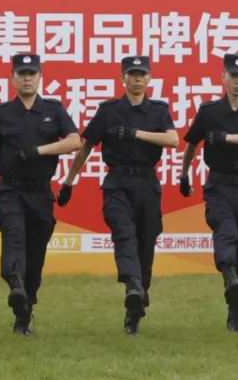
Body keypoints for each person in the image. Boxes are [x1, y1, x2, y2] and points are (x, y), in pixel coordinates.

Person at [60, 55, 178, 336]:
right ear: (122, 78)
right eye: (131, 74)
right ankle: (132, 285)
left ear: (149, 78)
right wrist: (69, 180)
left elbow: (172, 139)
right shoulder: (109, 111)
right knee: (123, 235)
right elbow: (87, 146)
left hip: (147, 184)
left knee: (146, 243)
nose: (137, 79)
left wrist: (136, 133)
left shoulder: (158, 110)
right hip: (117, 183)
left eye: (142, 74)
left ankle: (137, 300)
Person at [0, 53, 81, 337]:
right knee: (14, 236)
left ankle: (24, 312)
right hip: (10, 189)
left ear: (39, 77)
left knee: (35, 256)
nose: (27, 79)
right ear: (12, 78)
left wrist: (39, 151)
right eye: (22, 74)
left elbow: (74, 141)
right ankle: (14, 283)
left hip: (40, 192)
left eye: (32, 74)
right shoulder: (2, 113)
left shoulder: (53, 109)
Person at [179, 53, 238, 333]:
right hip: (219, 184)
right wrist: (184, 175)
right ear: (224, 77)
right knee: (225, 229)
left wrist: (226, 138)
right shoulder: (209, 112)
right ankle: (228, 274)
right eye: (233, 76)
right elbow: (192, 144)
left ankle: (236, 312)